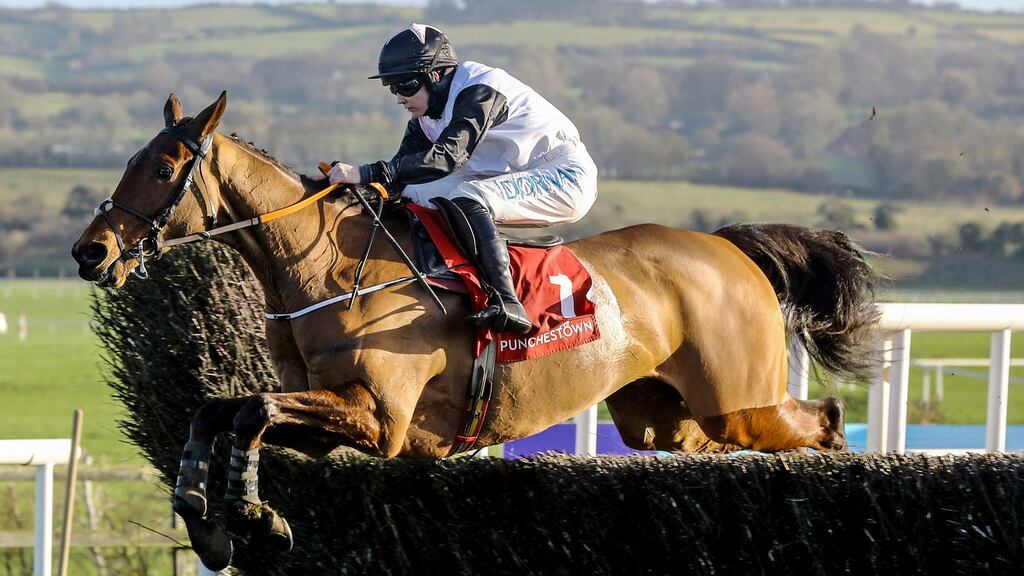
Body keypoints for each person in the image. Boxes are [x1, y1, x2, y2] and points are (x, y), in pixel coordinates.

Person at [323, 23, 598, 335]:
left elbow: (446, 159)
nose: (399, 97)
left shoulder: (479, 90)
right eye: (392, 87)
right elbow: (398, 179)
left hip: (564, 175)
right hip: (513, 174)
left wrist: (366, 172)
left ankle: (506, 301)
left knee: (469, 197)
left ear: (436, 75)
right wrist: (344, 189)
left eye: (406, 85)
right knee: (413, 194)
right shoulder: (424, 117)